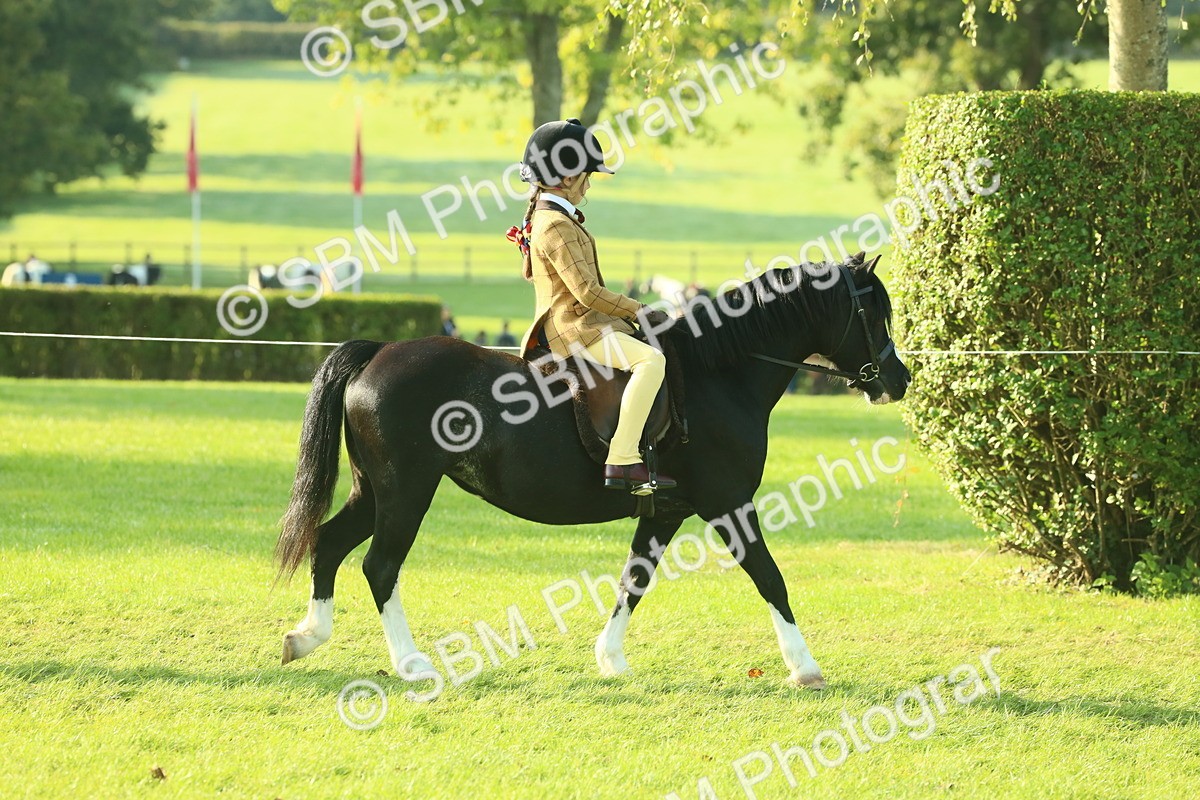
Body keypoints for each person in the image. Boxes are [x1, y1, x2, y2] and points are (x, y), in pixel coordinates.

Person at [506, 118, 676, 495]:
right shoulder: (555, 225)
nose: (589, 182)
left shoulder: (546, 217)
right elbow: (587, 293)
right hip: (576, 330)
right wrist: (638, 310)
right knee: (651, 362)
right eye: (587, 175)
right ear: (566, 178)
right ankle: (623, 457)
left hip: (586, 323)